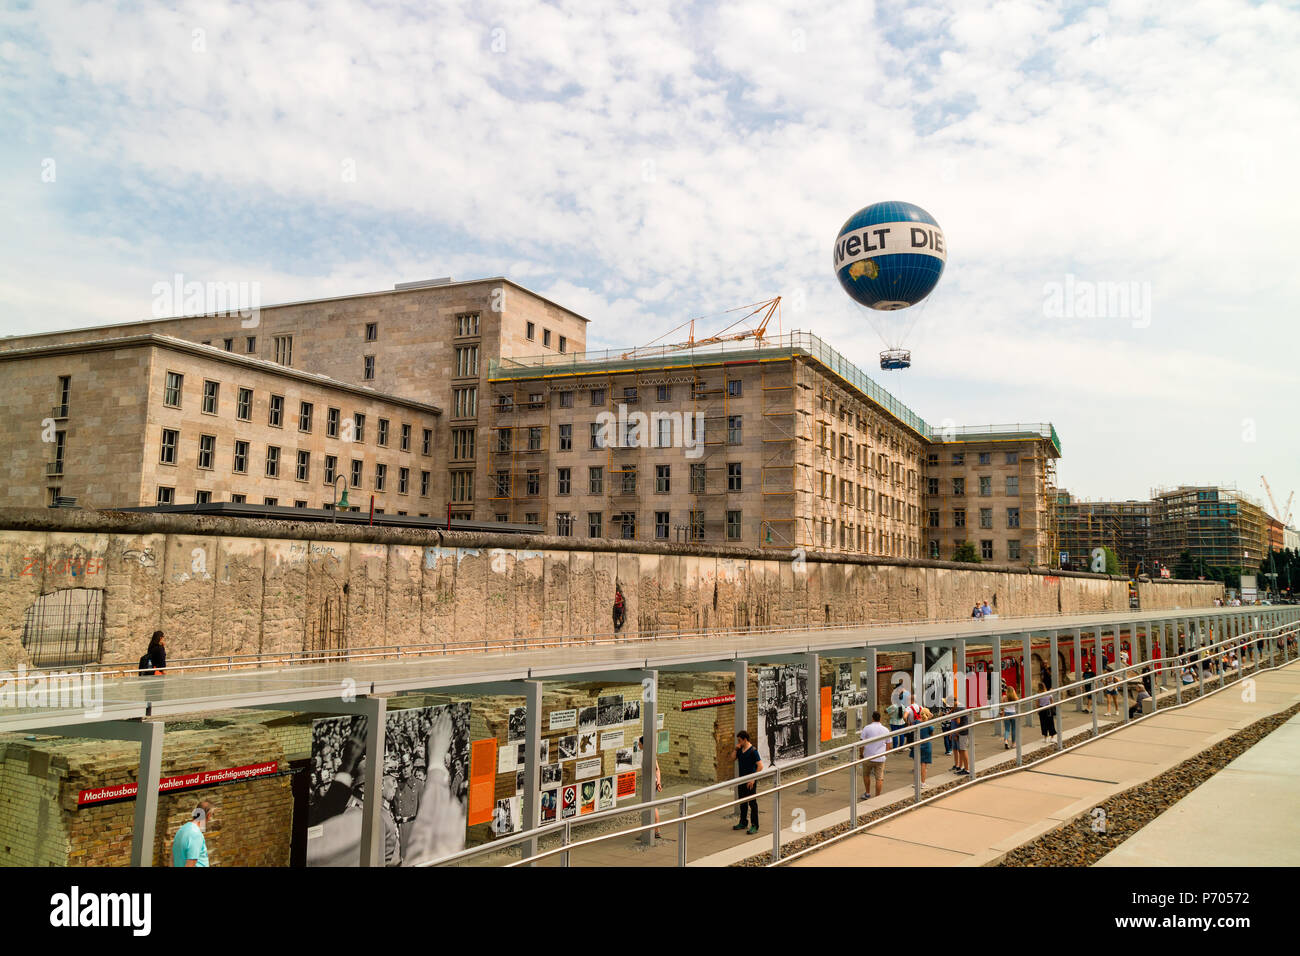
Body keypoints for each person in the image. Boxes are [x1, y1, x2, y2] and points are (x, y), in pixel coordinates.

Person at [731, 731, 763, 835]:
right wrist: (736, 749)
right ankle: (743, 822)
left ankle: (755, 825)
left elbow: (760, 766)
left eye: (739, 740)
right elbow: (732, 758)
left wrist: (753, 779)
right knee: (742, 802)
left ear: (745, 739)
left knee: (752, 803)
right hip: (742, 780)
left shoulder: (753, 751)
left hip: (750, 781)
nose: (738, 742)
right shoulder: (740, 750)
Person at [172, 800, 215, 867]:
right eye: (213, 814)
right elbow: (190, 864)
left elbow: (172, 858)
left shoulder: (181, 829)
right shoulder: (196, 835)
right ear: (208, 815)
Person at [859, 711, 889, 798]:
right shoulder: (886, 730)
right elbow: (888, 744)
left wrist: (861, 755)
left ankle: (867, 793)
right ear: (880, 718)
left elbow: (862, 743)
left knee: (866, 775)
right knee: (879, 778)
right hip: (880, 757)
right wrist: (885, 755)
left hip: (868, 756)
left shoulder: (866, 728)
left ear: (872, 718)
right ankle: (877, 796)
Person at [1035, 680, 1056, 746]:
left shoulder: (1038, 695)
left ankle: (1045, 737)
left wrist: (1038, 710)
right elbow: (1052, 701)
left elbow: (1037, 703)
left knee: (1043, 723)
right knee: (1050, 723)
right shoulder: (1048, 693)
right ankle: (1052, 737)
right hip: (1048, 709)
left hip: (1042, 709)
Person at [916, 707, 934, 784]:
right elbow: (932, 734)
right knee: (924, 765)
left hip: (918, 744)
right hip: (926, 744)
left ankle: (917, 782)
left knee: (918, 764)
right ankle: (923, 782)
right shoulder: (929, 725)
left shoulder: (916, 722)